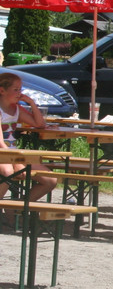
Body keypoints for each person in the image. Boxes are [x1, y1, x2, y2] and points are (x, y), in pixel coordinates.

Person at [0, 72, 58, 204]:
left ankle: (16, 208)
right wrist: (16, 162)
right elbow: (1, 143)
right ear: (2, 91)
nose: (19, 93)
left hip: (13, 154)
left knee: (50, 180)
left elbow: (39, 124)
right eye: (15, 90)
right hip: (3, 153)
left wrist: (31, 103)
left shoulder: (17, 109)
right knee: (8, 172)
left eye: (20, 89)